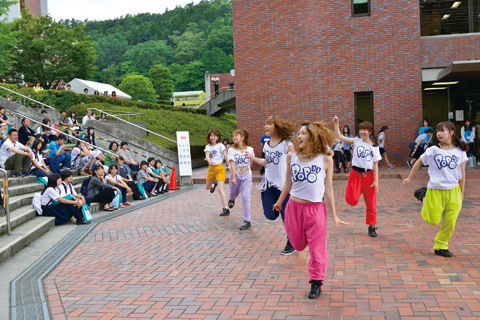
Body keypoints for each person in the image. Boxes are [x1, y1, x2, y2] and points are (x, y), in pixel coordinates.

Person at [273, 121, 349, 299]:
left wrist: (335, 215)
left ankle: (316, 282)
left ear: (313, 137)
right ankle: (308, 261)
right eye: (298, 133)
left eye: (303, 133)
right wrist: (279, 201)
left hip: (315, 210)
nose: (298, 136)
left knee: (317, 248)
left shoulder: (326, 159)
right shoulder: (292, 157)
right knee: (298, 244)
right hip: (293, 207)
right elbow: (287, 183)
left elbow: (328, 189)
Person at [403, 121, 467, 258]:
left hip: (454, 190)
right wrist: (409, 178)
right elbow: (419, 162)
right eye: (437, 131)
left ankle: (441, 246)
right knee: (432, 220)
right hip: (435, 190)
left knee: (450, 222)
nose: (439, 134)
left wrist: (462, 192)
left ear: (451, 132)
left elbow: (462, 174)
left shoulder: (460, 151)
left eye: (442, 131)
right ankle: (423, 195)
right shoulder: (433, 150)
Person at [246, 116, 295, 254]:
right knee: (270, 215)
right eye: (265, 124)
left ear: (277, 126)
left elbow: (295, 156)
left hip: (284, 185)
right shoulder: (266, 144)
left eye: (269, 124)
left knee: (286, 215)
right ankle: (295, 223)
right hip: (269, 184)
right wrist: (251, 158)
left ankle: (291, 242)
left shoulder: (286, 143)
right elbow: (266, 162)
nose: (265, 127)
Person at [334, 116, 382, 237]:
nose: (362, 132)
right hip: (355, 174)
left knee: (371, 202)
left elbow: (376, 165)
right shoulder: (356, 140)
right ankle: (351, 193)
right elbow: (340, 137)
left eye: (365, 130)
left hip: (369, 175)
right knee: (351, 200)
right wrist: (336, 124)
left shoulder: (375, 147)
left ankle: (371, 226)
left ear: (370, 132)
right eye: (361, 129)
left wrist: (376, 180)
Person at [227, 129, 254, 230]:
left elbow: (250, 162)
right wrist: (234, 177)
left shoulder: (250, 149)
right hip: (236, 177)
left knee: (245, 198)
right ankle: (231, 199)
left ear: (242, 138)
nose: (234, 137)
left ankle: (247, 220)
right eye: (233, 136)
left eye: (236, 136)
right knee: (233, 193)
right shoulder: (231, 150)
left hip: (246, 177)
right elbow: (232, 164)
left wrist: (247, 172)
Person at [205, 129, 229, 215]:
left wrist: (229, 165)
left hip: (219, 168)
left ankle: (226, 208)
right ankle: (213, 185)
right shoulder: (208, 146)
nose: (212, 137)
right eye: (211, 135)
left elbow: (225, 155)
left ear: (217, 137)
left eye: (214, 136)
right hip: (211, 169)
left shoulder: (220, 145)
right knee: (207, 187)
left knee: (220, 189)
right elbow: (207, 156)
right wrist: (209, 161)